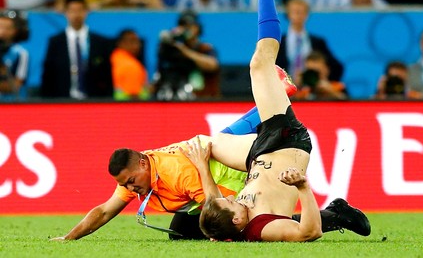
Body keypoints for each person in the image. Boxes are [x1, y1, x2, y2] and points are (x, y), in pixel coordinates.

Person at [187, 0, 365, 242]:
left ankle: (276, 95)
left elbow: (213, 201)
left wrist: (201, 167)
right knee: (259, 64)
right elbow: (310, 232)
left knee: (207, 143)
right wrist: (303, 187)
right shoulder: (262, 227)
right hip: (286, 141)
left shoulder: (233, 218)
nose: (235, 198)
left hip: (259, 153)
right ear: (236, 219)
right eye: (232, 202)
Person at [50, 79, 369, 241]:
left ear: (143, 165)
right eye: (125, 185)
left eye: (130, 182)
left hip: (232, 178)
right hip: (217, 159)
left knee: (244, 229)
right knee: (188, 228)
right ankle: (277, 92)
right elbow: (105, 210)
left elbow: (215, 208)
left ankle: (334, 216)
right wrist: (69, 238)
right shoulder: (141, 175)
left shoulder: (178, 174)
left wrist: (221, 229)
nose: (130, 190)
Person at [40, 0, 114, 99]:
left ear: (86, 12)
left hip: (93, 100)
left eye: (80, 10)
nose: (77, 14)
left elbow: (107, 75)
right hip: (63, 100)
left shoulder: (100, 42)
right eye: (72, 10)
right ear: (66, 13)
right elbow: (48, 75)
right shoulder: (56, 42)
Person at [153, 11, 221, 100]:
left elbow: (213, 65)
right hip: (176, 97)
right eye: (182, 26)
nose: (186, 29)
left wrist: (185, 51)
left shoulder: (205, 48)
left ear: (197, 28)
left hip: (203, 99)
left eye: (189, 26)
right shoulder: (173, 49)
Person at [276, 0, 344, 82]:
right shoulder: (278, 42)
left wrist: (323, 79)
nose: (298, 15)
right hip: (284, 89)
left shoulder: (317, 42)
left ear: (307, 15)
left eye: (302, 12)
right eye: (295, 12)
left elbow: (336, 67)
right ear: (288, 14)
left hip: (311, 89)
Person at [111, 29, 149, 100]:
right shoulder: (131, 65)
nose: (137, 45)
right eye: (132, 41)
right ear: (120, 43)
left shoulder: (113, 58)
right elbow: (134, 97)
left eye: (138, 42)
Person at [0, 11, 29, 100]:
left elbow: (16, 85)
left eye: (7, 28)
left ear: (15, 31)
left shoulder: (21, 53)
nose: (3, 31)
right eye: (0, 27)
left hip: (13, 103)